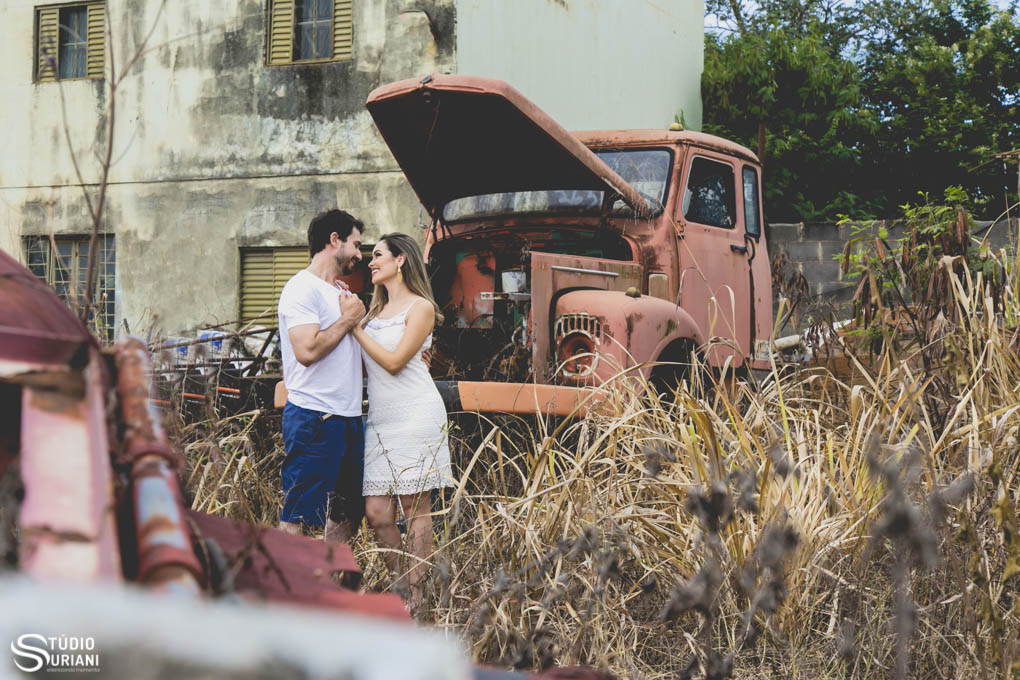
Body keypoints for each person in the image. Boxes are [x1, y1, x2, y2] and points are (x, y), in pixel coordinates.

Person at [351, 232, 452, 610]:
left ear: (401, 260)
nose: (370, 262)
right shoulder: (374, 312)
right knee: (377, 512)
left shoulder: (421, 307)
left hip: (415, 412)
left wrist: (355, 328)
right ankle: (400, 584)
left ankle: (418, 596)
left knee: (415, 507)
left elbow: (393, 363)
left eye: (377, 255)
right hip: (380, 419)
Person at [277, 209, 366, 542]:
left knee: (347, 515)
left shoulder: (340, 293)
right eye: (355, 245)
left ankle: (325, 588)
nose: (359, 254)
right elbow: (307, 351)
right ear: (334, 241)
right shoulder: (302, 288)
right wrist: (348, 320)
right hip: (316, 417)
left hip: (349, 419)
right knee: (299, 516)